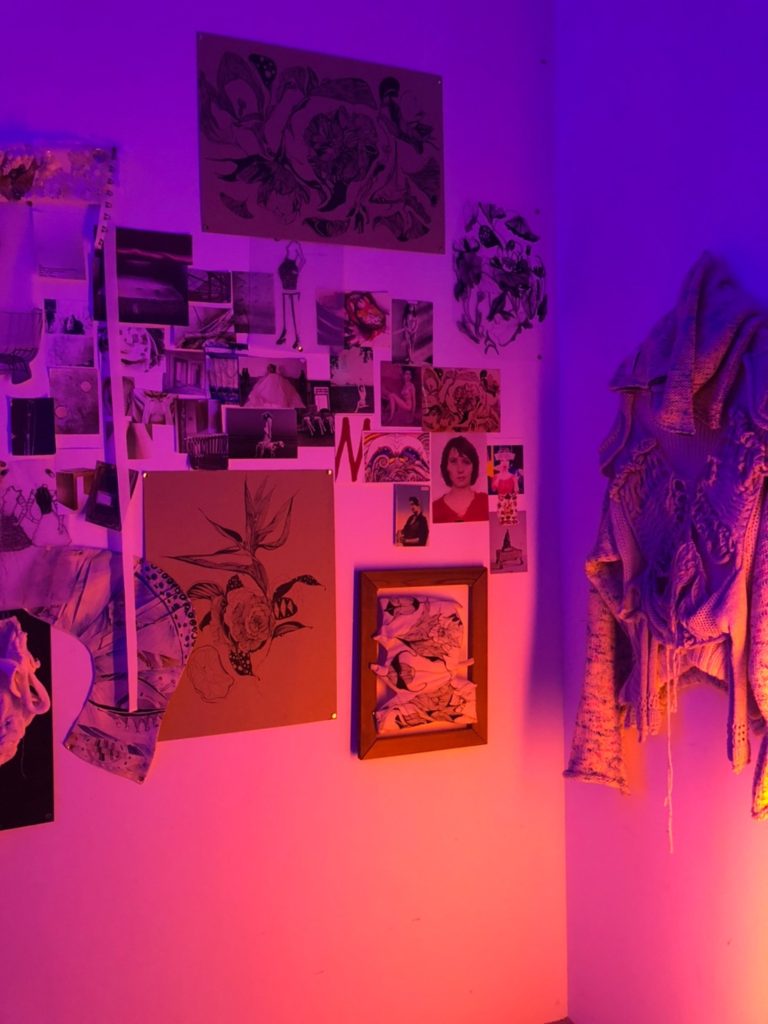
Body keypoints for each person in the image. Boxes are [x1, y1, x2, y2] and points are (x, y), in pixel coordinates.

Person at [432, 435, 489, 523]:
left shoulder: (486, 502)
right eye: (453, 462)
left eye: (466, 462)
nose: (460, 469)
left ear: (474, 467)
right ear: (446, 467)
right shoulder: (434, 509)